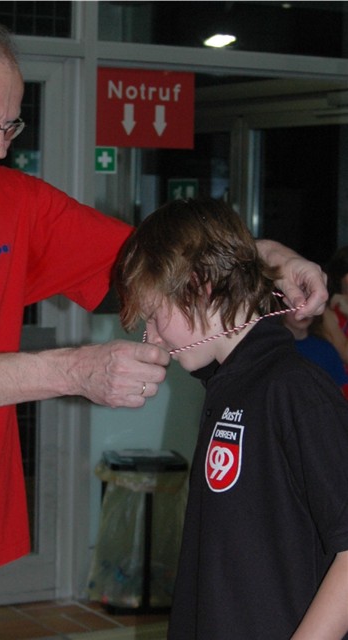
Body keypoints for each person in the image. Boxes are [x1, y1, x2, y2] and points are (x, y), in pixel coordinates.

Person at [0, 7, 328, 639]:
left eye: (11, 125)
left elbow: (162, 265)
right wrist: (75, 371)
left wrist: (270, 256)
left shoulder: (14, 204)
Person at [114, 198, 348, 640]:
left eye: (155, 317)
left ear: (199, 286)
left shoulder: (294, 389)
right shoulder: (227, 387)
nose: (152, 338)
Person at [282, 312, 348, 396]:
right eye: (295, 308)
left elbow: (338, 392)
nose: (303, 313)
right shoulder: (277, 349)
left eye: (307, 306)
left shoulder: (324, 348)